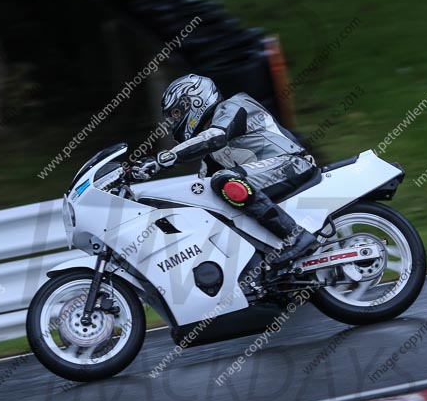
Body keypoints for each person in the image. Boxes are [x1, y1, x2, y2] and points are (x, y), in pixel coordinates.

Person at [130, 74, 319, 265]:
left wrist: (161, 160)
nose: (174, 122)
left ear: (195, 101)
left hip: (293, 164)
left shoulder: (233, 106)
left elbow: (215, 137)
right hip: (273, 176)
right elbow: (201, 193)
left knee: (224, 180)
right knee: (213, 196)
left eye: (176, 114)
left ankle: (297, 236)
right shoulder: (210, 154)